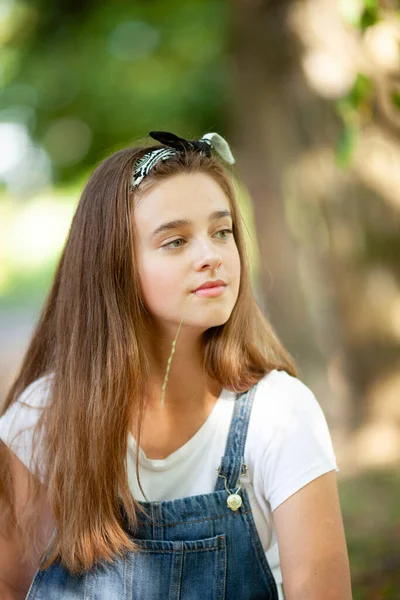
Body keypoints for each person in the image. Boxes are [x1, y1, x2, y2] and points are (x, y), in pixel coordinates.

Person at [0, 131, 352, 599]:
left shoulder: (280, 415)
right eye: (175, 241)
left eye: (221, 232)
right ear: (113, 266)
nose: (211, 257)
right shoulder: (41, 417)